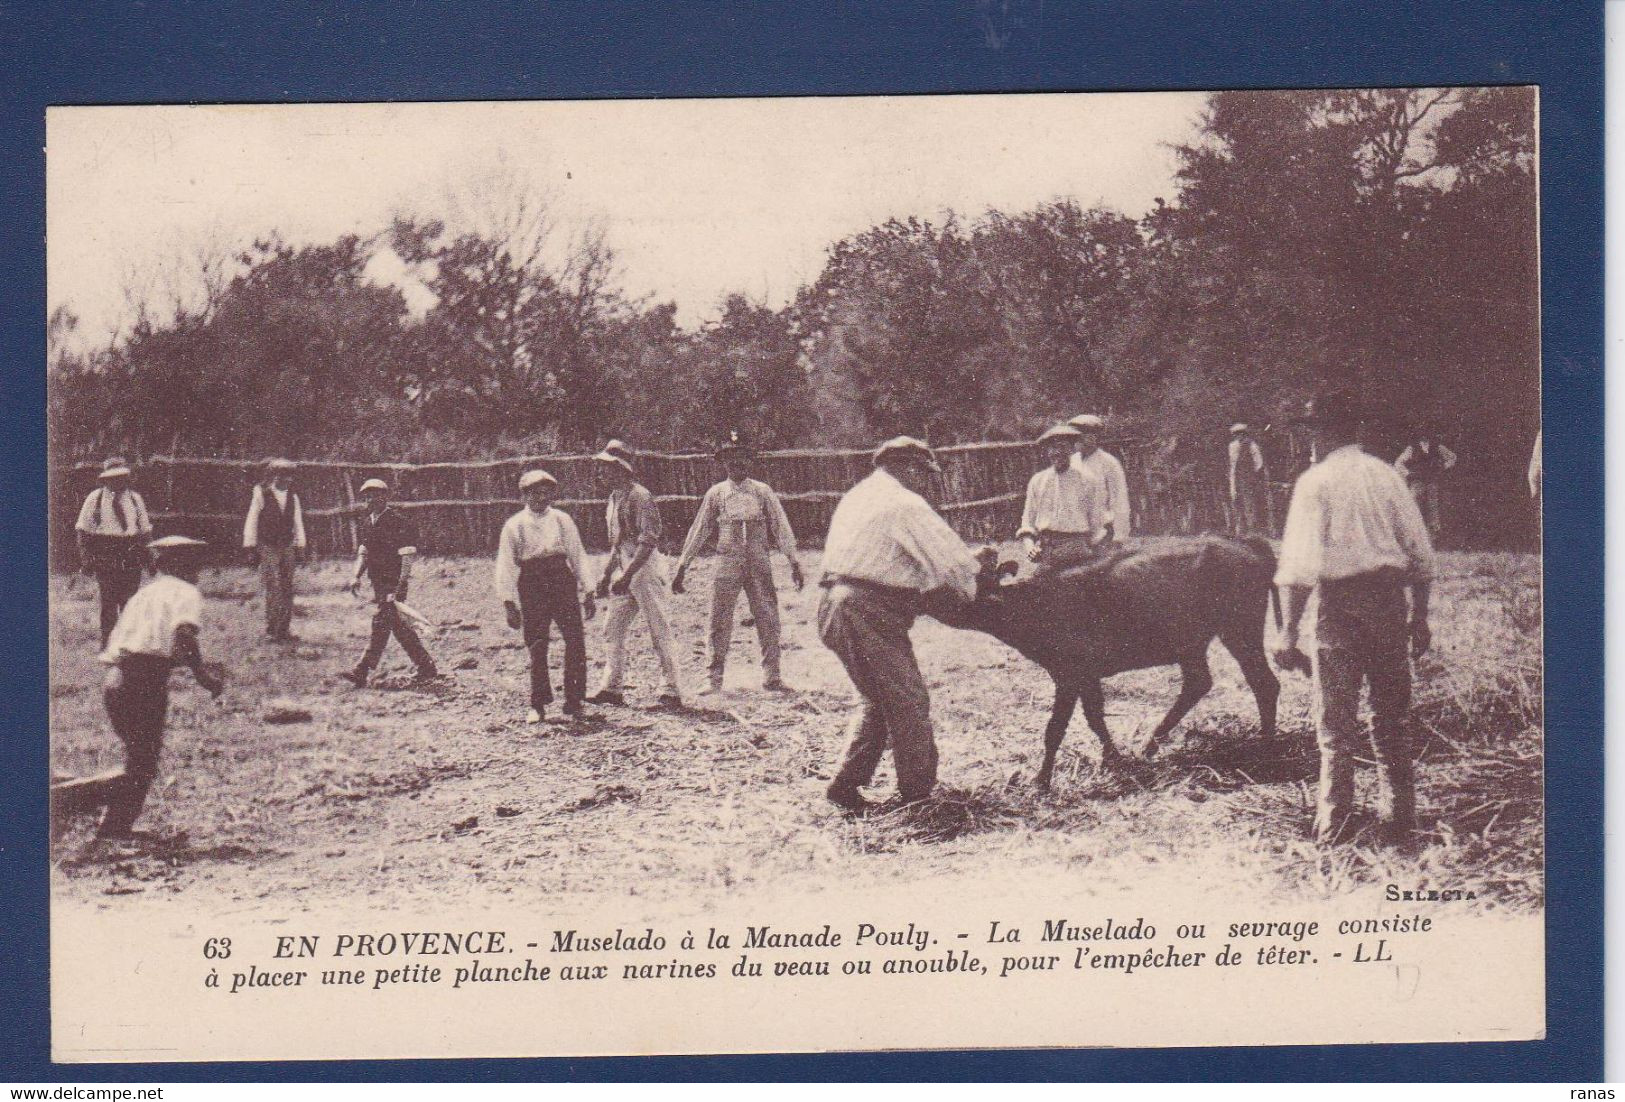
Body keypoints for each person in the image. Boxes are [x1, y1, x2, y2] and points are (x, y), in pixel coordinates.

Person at [1273, 390, 1435, 848]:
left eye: (1311, 431)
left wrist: (1287, 631)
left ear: (1322, 434)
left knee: (1335, 724)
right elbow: (1420, 554)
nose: (1309, 440)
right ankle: (1402, 817)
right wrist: (1419, 617)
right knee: (1390, 719)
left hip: (1340, 608)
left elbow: (1300, 566)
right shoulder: (1387, 475)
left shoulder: (1314, 482)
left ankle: (1334, 821)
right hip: (1388, 604)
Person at [818, 436, 980, 814]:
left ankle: (844, 786)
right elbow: (953, 566)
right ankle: (917, 797)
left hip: (832, 604)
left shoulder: (858, 494)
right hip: (865, 609)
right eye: (923, 473)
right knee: (908, 702)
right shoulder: (904, 503)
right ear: (908, 468)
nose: (925, 482)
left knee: (878, 701)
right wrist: (975, 585)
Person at [83, 535, 225, 843]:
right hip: (143, 681)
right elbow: (185, 635)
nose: (198, 571)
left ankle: (114, 827)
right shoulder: (186, 592)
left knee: (139, 758)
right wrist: (203, 676)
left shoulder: (144, 594)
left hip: (116, 680)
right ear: (181, 564)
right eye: (194, 563)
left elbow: (139, 643)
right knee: (142, 762)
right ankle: (99, 820)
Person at [671, 431, 805, 693]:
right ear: (724, 463)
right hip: (727, 559)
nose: (737, 464)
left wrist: (794, 561)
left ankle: (772, 676)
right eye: (731, 460)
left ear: (749, 461)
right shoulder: (716, 494)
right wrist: (682, 566)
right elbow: (699, 530)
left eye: (742, 459)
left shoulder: (762, 492)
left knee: (767, 614)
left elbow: (781, 527)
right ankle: (713, 679)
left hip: (758, 559)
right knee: (719, 618)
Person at [494, 469, 596, 723]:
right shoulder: (514, 525)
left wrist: (589, 590)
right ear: (524, 496)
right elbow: (506, 564)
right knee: (537, 643)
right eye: (535, 494)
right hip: (532, 581)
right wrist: (508, 602)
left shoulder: (562, 520)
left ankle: (574, 701)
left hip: (561, 578)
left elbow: (577, 554)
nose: (541, 498)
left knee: (575, 639)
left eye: (546, 493)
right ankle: (538, 704)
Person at [589, 443, 685, 708]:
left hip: (645, 568)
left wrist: (627, 575)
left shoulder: (640, 497)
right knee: (612, 627)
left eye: (606, 468)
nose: (601, 473)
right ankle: (612, 687)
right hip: (625, 565)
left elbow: (648, 540)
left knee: (658, 628)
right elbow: (617, 543)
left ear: (620, 469)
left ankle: (672, 689)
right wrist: (607, 575)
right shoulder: (614, 498)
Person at [340, 478, 440, 687]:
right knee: (398, 627)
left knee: (381, 622)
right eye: (367, 495)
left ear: (385, 497)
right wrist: (355, 576)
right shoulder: (368, 522)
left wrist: (402, 582)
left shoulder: (397, 521)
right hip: (378, 582)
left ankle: (362, 668)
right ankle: (426, 666)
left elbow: (407, 555)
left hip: (393, 582)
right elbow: (364, 553)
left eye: (375, 495)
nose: (370, 499)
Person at [75, 457, 153, 645]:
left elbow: (145, 532)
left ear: (127, 478)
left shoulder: (135, 499)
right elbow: (82, 530)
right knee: (108, 601)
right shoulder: (95, 499)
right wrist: (86, 559)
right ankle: (107, 642)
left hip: (131, 552)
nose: (117, 481)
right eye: (113, 478)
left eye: (121, 477)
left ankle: (128, 643)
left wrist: (150, 560)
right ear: (105, 479)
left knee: (130, 600)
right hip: (106, 552)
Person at [1017, 423, 1110, 570]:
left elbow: (1097, 526)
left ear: (1072, 449)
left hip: (1077, 554)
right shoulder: (1038, 481)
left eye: (1062, 447)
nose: (1057, 452)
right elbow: (1028, 524)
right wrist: (1030, 547)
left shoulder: (1088, 480)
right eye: (1053, 448)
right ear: (1047, 451)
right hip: (1046, 554)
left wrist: (1095, 555)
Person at [242, 457, 307, 641]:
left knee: (287, 587)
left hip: (286, 545)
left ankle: (284, 629)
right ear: (274, 476)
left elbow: (298, 523)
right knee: (272, 586)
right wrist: (250, 546)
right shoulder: (261, 494)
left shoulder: (293, 497)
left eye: (289, 476)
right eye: (282, 476)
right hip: (268, 545)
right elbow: (252, 520)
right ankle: (272, 628)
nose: (286, 480)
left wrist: (300, 546)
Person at [1068, 414, 1131, 544]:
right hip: (1076, 530)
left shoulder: (1109, 463)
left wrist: (1119, 536)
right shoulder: (1072, 462)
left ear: (1094, 437)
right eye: (1075, 437)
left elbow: (1119, 501)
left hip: (1103, 530)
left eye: (1083, 436)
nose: (1078, 441)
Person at [1394, 434, 1458, 541]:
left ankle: (1434, 538)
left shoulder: (1437, 447)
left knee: (1433, 508)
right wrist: (1408, 473)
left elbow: (1452, 457)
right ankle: (1413, 535)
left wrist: (1443, 467)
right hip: (1417, 482)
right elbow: (1398, 463)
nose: (1424, 435)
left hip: (1432, 481)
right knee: (1413, 505)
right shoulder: (1412, 448)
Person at [1227, 423, 1270, 537]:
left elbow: (1259, 462)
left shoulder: (1252, 445)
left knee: (1249, 504)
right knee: (1236, 502)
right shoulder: (1232, 446)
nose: (1239, 436)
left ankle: (1251, 531)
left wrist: (1251, 475)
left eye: (1241, 434)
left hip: (1247, 478)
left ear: (1244, 434)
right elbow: (1232, 463)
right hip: (1236, 477)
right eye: (1236, 434)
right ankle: (1239, 532)